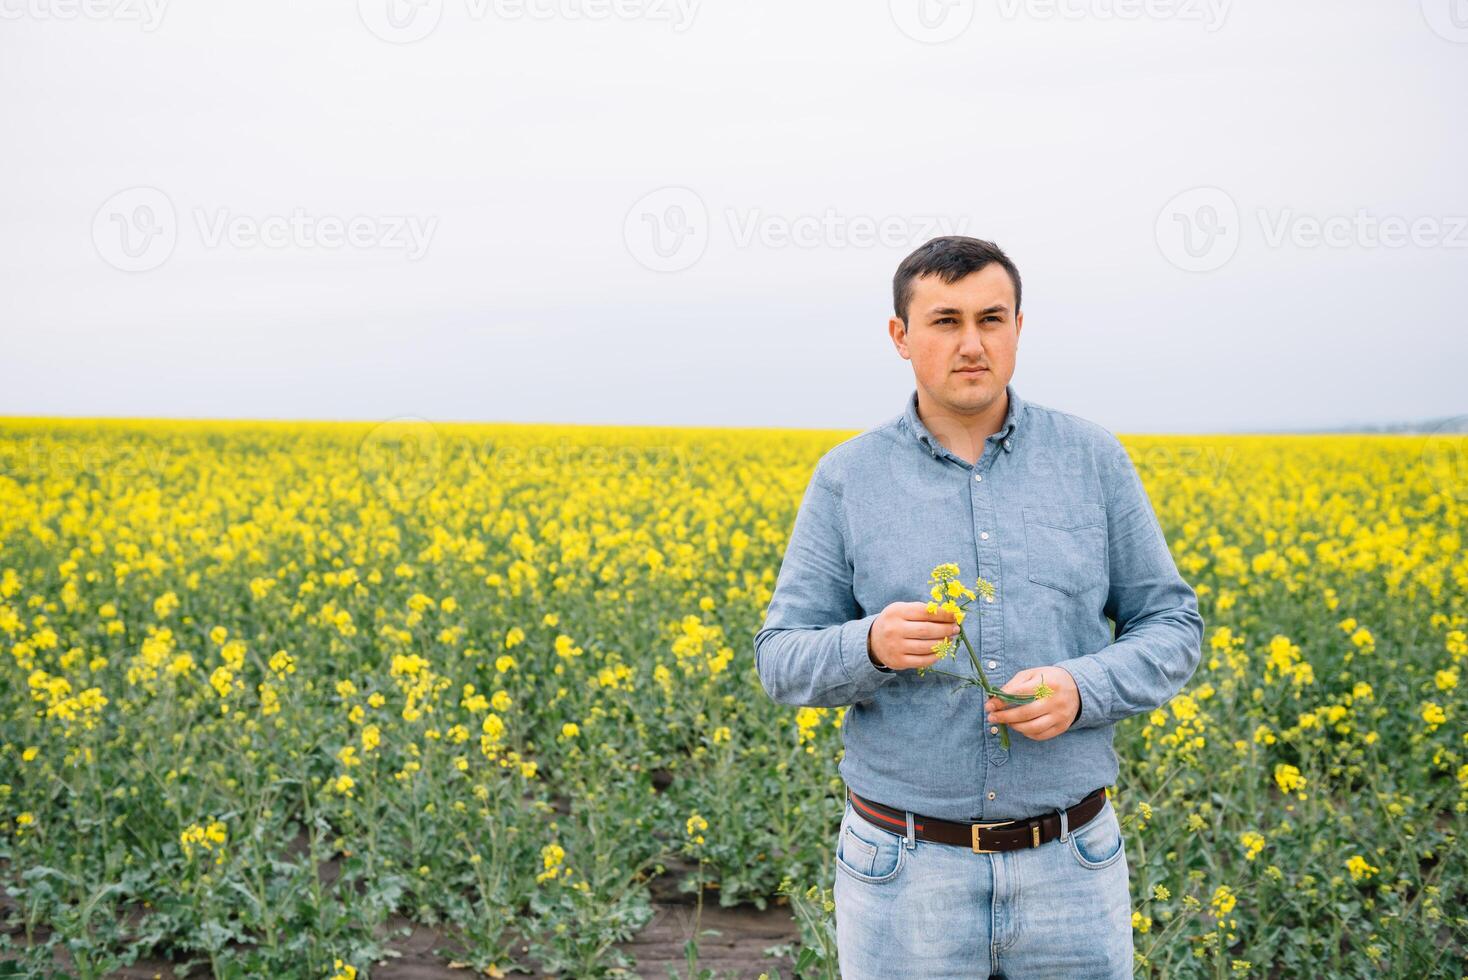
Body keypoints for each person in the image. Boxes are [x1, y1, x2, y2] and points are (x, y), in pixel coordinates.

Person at [753, 236, 1204, 978]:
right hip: (904, 870)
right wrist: (870, 646)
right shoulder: (848, 479)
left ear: (1019, 328)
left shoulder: (1093, 460)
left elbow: (1173, 625)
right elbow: (779, 660)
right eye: (944, 321)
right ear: (900, 337)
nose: (972, 343)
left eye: (992, 319)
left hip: (1072, 863)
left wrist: (1083, 688)